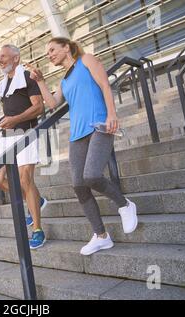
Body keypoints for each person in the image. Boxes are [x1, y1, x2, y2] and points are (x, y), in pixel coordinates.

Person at [26, 37, 138, 255]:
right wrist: (39, 81)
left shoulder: (86, 60)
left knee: (92, 175)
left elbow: (105, 84)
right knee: (78, 184)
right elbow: (52, 103)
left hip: (99, 125)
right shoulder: (64, 81)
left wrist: (112, 114)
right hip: (77, 135)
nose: (49, 55)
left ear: (67, 47)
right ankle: (101, 236)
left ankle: (125, 204)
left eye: (52, 49)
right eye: (47, 52)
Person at [0, 44, 48, 249]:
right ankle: (36, 201)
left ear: (16, 58)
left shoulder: (28, 77)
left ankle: (38, 230)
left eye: (4, 56)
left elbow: (39, 107)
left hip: (25, 133)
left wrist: (14, 120)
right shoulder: (4, 83)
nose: (0, 59)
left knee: (25, 179)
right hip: (7, 136)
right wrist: (8, 121)